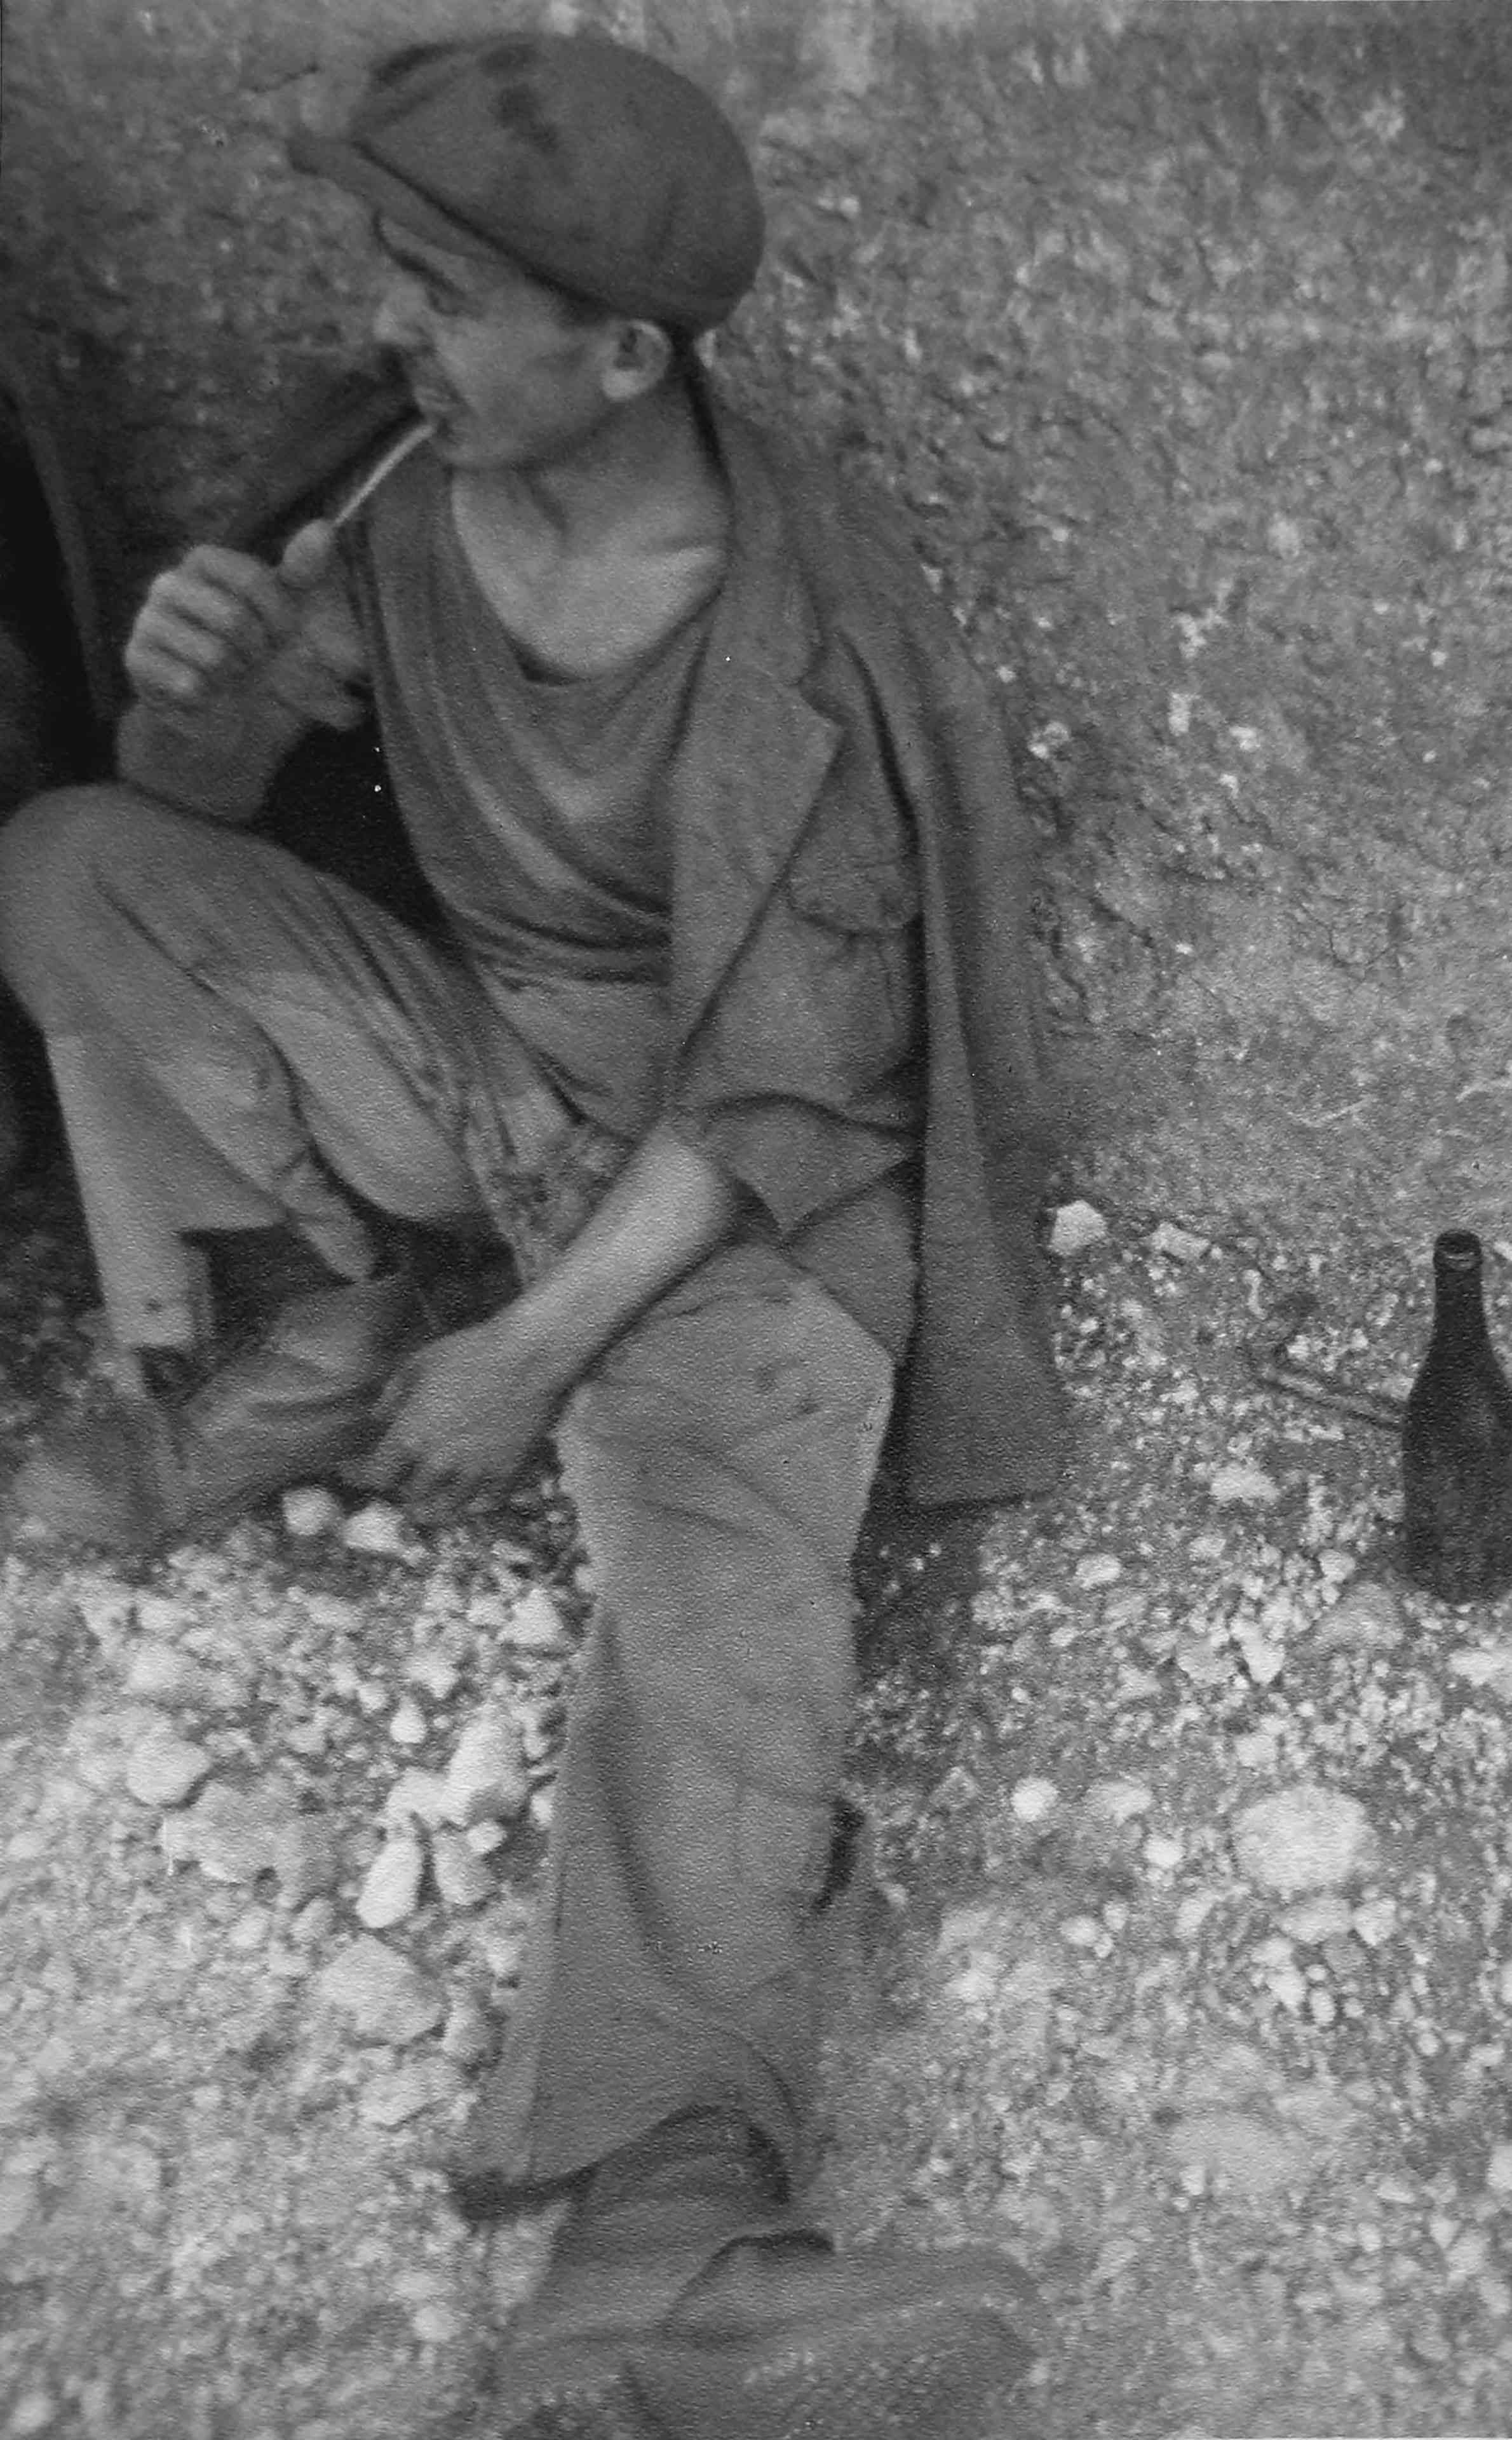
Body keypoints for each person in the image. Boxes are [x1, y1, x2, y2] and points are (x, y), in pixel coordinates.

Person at [0, 33, 1073, 2439]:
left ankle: (666, 2239)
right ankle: (326, 1339)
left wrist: (540, 1354)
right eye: (388, 266)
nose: (389, 321)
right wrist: (196, 707)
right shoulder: (403, 491)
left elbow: (785, 1088)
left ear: (624, 357)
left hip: (740, 1171)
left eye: (444, 288)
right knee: (68, 867)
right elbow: (205, 807)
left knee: (718, 1579)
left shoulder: (791, 638)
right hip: (486, 1077)